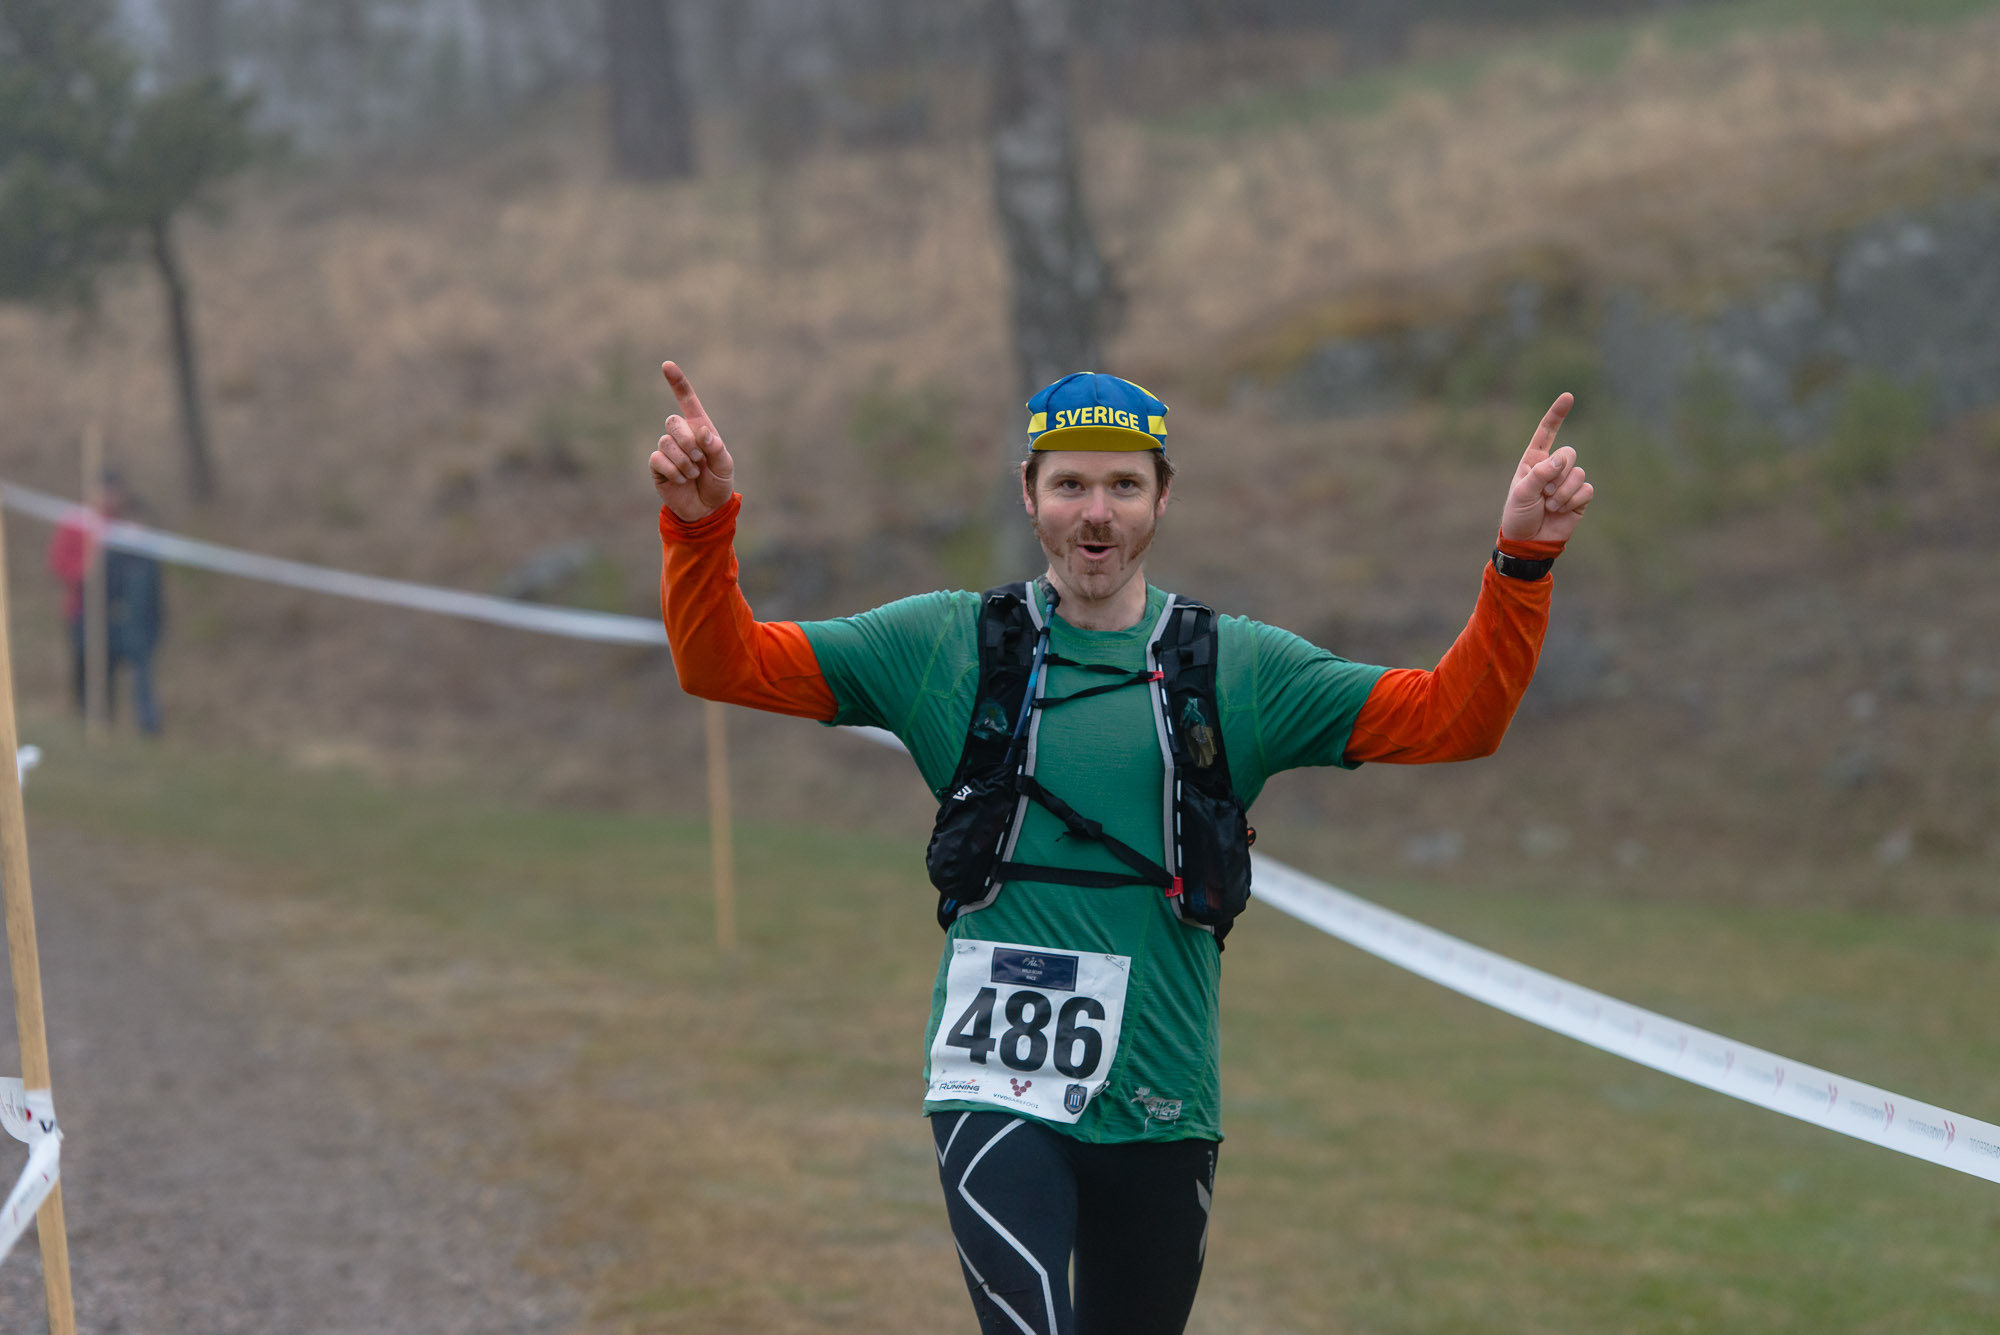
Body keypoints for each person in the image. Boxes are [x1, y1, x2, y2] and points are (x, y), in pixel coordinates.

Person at [650, 363, 1590, 1335]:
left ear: (1162, 498)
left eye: (1123, 486)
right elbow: (725, 662)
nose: (1095, 513)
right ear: (1028, 495)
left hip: (1164, 1098)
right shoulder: (945, 645)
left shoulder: (1237, 668)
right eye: (1069, 484)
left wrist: (1521, 562)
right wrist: (699, 526)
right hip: (993, 1090)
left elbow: (1451, 719)